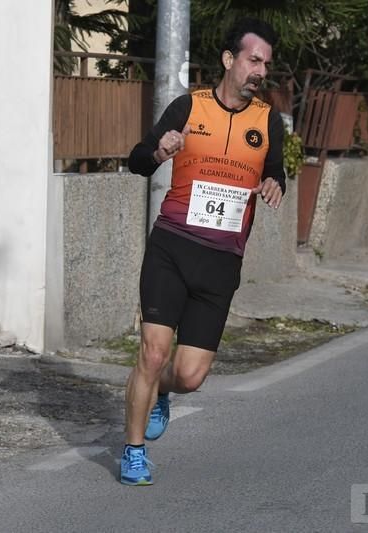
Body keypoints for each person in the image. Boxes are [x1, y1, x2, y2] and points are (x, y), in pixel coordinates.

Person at [121, 18, 286, 486]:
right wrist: (159, 152)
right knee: (152, 354)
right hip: (172, 247)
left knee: (190, 375)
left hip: (220, 262)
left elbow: (274, 171)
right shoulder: (186, 107)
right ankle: (133, 451)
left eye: (266, 65)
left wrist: (275, 182)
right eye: (253, 60)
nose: (260, 71)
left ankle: (160, 393)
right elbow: (136, 160)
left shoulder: (267, 120)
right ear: (229, 60)